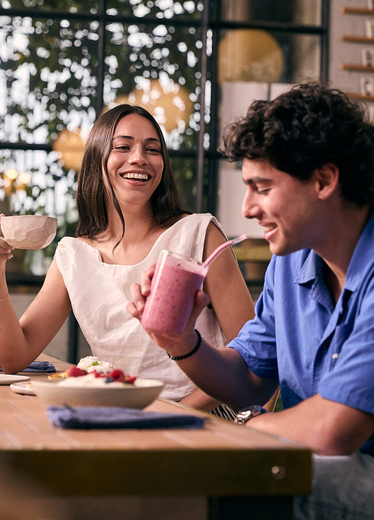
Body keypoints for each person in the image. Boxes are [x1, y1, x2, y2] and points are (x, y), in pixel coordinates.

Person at [128, 83, 374, 519]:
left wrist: (249, 426)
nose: (247, 208)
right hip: (325, 462)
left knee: (239, 478)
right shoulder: (293, 259)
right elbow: (251, 378)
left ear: (324, 180)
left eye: (262, 188)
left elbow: (332, 433)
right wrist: (179, 341)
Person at [0, 104, 255, 416]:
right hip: (115, 414)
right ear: (97, 159)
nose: (139, 158)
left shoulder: (199, 233)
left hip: (202, 416)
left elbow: (252, 355)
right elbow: (14, 357)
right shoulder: (74, 254)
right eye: (123, 147)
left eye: (153, 149)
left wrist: (172, 412)